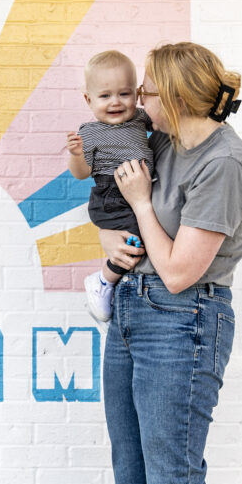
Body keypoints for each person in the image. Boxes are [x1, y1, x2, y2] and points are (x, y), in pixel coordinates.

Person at [100, 42, 242, 484]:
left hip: (183, 320)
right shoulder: (165, 144)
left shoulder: (225, 163)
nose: (140, 98)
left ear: (175, 96)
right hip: (130, 312)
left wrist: (142, 202)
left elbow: (178, 272)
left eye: (147, 89)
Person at [66, 50, 154, 322]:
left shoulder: (139, 118)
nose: (116, 102)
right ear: (88, 99)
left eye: (124, 93)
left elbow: (165, 122)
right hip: (111, 193)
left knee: (151, 228)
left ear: (137, 94)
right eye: (105, 96)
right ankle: (103, 280)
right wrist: (77, 155)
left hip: (139, 186)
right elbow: (81, 174)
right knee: (140, 236)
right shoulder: (89, 133)